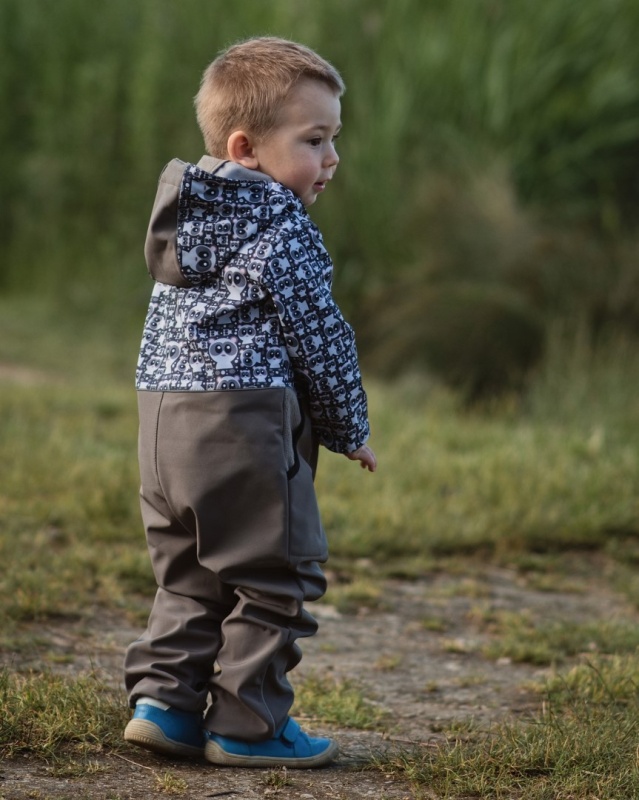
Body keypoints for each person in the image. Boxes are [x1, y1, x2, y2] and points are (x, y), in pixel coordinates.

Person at [123, 36, 376, 769]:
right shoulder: (280, 226)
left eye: (333, 140)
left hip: (163, 427)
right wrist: (346, 427)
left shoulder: (189, 220)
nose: (331, 159)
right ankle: (248, 724)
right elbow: (320, 338)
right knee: (275, 573)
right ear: (246, 147)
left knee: (192, 571)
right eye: (314, 140)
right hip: (243, 423)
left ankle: (165, 706)